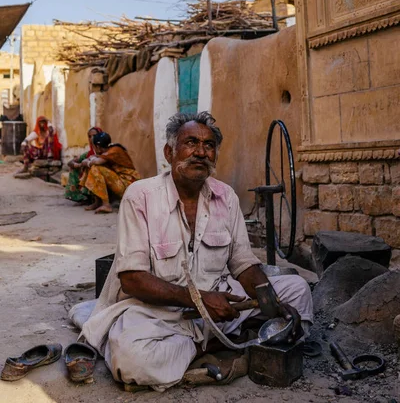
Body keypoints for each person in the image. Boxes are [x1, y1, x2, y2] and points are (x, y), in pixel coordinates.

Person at [81, 111, 313, 391]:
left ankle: (209, 344)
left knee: (298, 290)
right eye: (191, 143)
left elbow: (243, 263)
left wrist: (268, 298)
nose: (201, 152)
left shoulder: (226, 196)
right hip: (158, 311)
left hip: (219, 298)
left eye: (209, 145)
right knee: (131, 360)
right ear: (170, 152)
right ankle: (216, 344)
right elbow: (132, 279)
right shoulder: (140, 196)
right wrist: (201, 301)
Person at [79, 132, 140, 214]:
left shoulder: (114, 150)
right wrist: (90, 160)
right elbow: (95, 158)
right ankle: (98, 201)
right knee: (93, 167)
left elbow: (97, 161)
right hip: (122, 182)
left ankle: (106, 204)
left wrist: (87, 162)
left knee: (95, 168)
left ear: (97, 146)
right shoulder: (110, 150)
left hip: (128, 185)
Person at [64, 127, 102, 203]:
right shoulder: (88, 154)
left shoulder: (106, 151)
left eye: (94, 136)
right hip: (90, 179)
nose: (92, 139)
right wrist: (80, 165)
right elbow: (70, 162)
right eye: (89, 136)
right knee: (73, 168)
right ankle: (81, 196)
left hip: (102, 179)